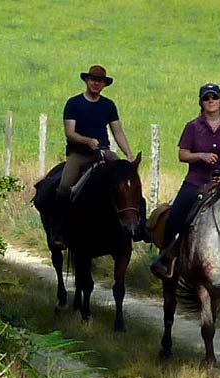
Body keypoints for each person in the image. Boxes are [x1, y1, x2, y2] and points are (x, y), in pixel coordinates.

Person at [150, 83, 220, 278]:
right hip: (197, 179)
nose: (211, 101)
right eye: (206, 98)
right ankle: (167, 258)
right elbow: (182, 155)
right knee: (177, 215)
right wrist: (201, 155)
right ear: (201, 102)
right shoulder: (193, 126)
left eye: (214, 97)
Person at [52, 64, 135, 245]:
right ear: (86, 80)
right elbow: (70, 132)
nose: (96, 84)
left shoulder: (108, 105)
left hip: (103, 152)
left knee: (126, 182)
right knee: (65, 186)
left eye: (100, 81)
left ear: (104, 84)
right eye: (93, 80)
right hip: (79, 154)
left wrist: (128, 154)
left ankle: (134, 226)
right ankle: (59, 230)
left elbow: (117, 132)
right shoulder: (73, 103)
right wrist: (87, 141)